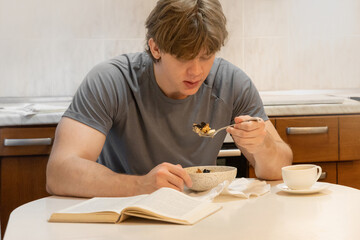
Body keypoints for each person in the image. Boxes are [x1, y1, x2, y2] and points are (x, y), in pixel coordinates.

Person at [46, 0, 293, 198]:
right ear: (155, 48)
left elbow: (279, 168)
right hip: (123, 215)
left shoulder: (232, 83)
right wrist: (140, 186)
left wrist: (263, 145)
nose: (196, 71)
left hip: (197, 216)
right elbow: (59, 172)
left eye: (207, 56)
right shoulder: (111, 80)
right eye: (184, 57)